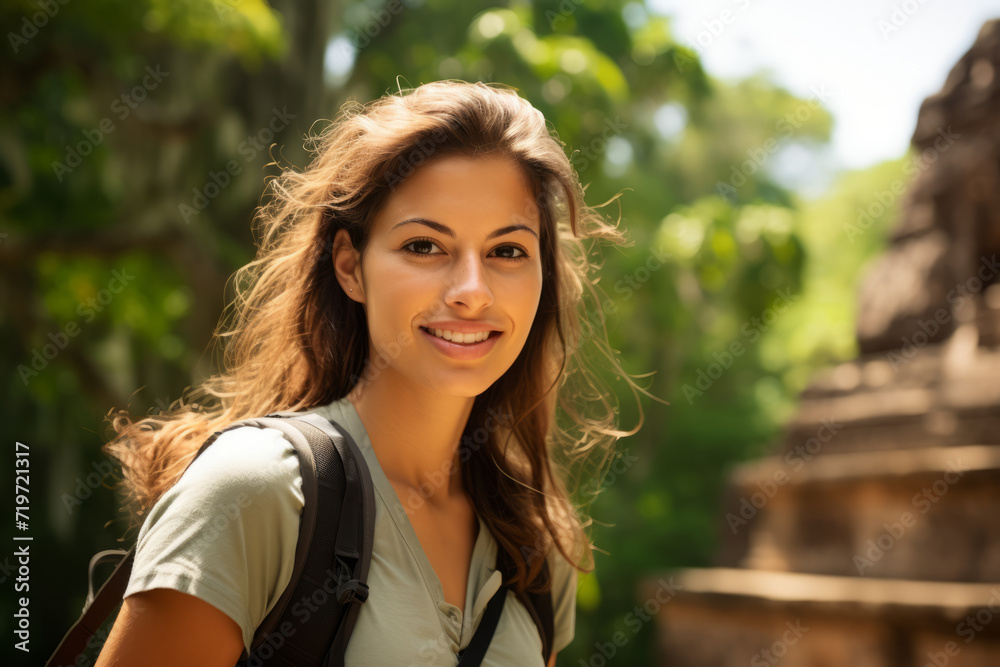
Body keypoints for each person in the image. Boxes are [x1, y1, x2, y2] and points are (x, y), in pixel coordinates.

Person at [95, 80, 642, 666]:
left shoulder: (535, 545)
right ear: (351, 267)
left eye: (507, 252)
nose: (471, 293)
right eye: (425, 246)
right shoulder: (258, 496)